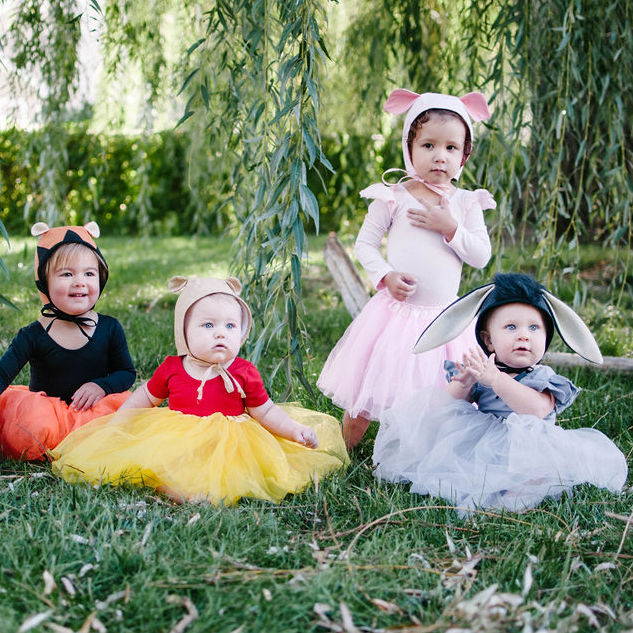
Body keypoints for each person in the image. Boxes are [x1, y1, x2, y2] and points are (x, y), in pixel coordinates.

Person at [52, 276, 349, 505]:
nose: (221, 333)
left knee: (233, 471)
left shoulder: (243, 372)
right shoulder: (173, 367)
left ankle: (203, 488)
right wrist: (120, 424)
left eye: (231, 326)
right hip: (180, 433)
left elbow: (266, 410)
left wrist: (295, 430)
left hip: (232, 439)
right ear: (184, 331)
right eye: (208, 325)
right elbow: (145, 397)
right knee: (164, 460)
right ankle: (178, 485)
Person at [317, 89, 496, 449]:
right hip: (395, 315)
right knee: (370, 385)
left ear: (465, 154)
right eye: (428, 146)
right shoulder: (393, 196)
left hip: (445, 319)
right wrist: (385, 275)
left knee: (445, 394)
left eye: (450, 148)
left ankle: (426, 452)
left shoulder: (465, 203)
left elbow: (480, 255)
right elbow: (365, 244)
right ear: (409, 149)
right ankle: (342, 450)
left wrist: (450, 227)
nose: (439, 157)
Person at [373, 272, 628, 514]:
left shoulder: (542, 377)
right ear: (489, 341)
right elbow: (445, 406)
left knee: (539, 471)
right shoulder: (482, 371)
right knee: (463, 462)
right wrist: (463, 382)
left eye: (534, 328)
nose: (524, 336)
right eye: (511, 327)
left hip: (531, 445)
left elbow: (538, 409)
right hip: (486, 441)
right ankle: (484, 482)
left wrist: (496, 380)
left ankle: (523, 488)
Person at [0, 222, 136, 460]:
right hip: (47, 416)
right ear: (45, 283)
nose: (79, 282)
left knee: (130, 413)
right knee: (28, 424)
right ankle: (51, 440)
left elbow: (126, 372)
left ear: (101, 278)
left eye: (89, 273)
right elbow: (3, 374)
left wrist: (101, 386)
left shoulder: (109, 327)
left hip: (93, 411)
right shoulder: (32, 334)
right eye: (67, 274)